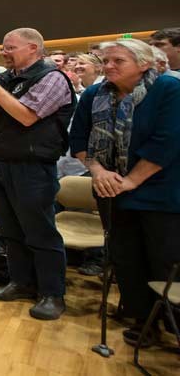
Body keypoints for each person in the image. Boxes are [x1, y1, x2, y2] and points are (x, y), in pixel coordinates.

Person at [70, 38, 180, 347]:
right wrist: (97, 170)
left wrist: (131, 179)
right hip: (110, 190)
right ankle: (144, 321)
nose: (108, 67)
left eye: (118, 61)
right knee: (127, 259)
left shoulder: (168, 90)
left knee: (166, 259)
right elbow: (78, 140)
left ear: (144, 63)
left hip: (161, 190)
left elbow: (168, 142)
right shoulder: (94, 94)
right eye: (105, 61)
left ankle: (174, 325)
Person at [0, 28, 74, 321]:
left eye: (10, 47)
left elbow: (27, 115)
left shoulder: (52, 77)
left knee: (40, 231)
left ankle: (53, 293)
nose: (5, 52)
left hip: (32, 166)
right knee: (10, 230)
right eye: (3, 47)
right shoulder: (4, 79)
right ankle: (21, 281)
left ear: (33, 48)